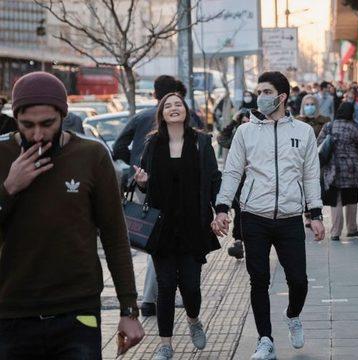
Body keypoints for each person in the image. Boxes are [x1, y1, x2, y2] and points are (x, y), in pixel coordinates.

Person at [0, 71, 144, 358]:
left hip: (78, 312)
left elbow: (115, 235)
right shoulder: (2, 154)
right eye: (27, 125)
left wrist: (129, 309)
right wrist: (9, 188)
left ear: (63, 117)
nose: (38, 134)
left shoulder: (91, 156)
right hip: (11, 314)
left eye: (47, 124)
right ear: (15, 119)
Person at [212, 71, 325, 360]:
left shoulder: (303, 132)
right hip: (254, 216)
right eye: (258, 91)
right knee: (258, 279)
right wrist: (222, 208)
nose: (259, 97)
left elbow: (311, 174)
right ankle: (265, 340)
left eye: (265, 92)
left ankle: (293, 315)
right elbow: (233, 171)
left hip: (289, 218)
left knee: (298, 280)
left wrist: (315, 213)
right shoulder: (245, 132)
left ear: (282, 96)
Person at [134, 92, 222, 359]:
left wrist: (220, 211)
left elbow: (214, 179)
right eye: (167, 106)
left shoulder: (201, 142)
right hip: (162, 229)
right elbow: (144, 182)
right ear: (161, 113)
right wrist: (141, 181)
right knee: (165, 285)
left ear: (186, 111)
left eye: (178, 105)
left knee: (191, 286)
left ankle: (194, 321)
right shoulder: (153, 144)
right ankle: (165, 344)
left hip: (193, 225)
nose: (173, 108)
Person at [112, 75, 194, 318]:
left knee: (154, 239)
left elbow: (117, 149)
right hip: (172, 192)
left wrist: (137, 166)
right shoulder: (185, 119)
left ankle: (152, 297)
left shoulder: (140, 118)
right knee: (159, 242)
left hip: (141, 187)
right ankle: (150, 299)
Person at [317, 102, 358, 241]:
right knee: (351, 199)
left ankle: (335, 232)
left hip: (333, 168)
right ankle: (352, 229)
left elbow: (319, 143)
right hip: (351, 169)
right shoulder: (353, 127)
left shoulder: (329, 126)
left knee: (336, 200)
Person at [217, 109, 252, 260]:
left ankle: (249, 243)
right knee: (239, 211)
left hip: (255, 183)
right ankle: (238, 241)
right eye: (243, 122)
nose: (246, 126)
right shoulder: (237, 136)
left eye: (249, 122)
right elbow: (221, 139)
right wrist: (232, 122)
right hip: (238, 182)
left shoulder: (260, 138)